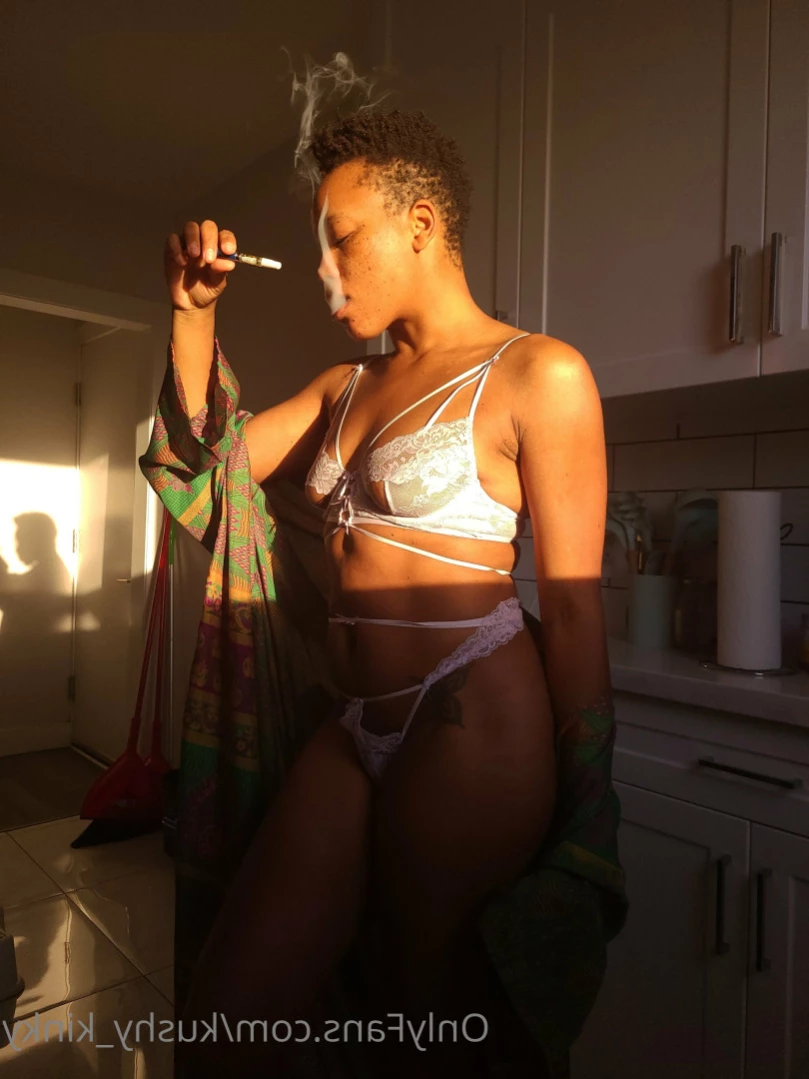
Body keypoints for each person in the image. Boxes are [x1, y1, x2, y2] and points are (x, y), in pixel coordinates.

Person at [141, 109, 627, 1078]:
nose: (325, 272)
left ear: (420, 223)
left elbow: (572, 606)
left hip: (471, 714)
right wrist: (192, 313)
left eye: (342, 241)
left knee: (428, 1021)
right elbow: (201, 475)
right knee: (227, 1014)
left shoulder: (538, 373)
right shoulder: (341, 388)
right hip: (351, 719)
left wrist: (586, 804)